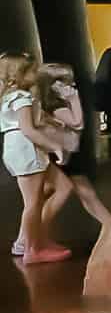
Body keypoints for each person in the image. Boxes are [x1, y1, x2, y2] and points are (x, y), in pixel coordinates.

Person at [1, 52, 71, 264]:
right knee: (32, 202)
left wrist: (51, 121)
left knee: (62, 186)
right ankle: (32, 248)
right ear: (19, 75)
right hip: (27, 148)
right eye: (32, 70)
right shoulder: (22, 97)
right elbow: (28, 129)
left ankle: (31, 239)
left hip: (20, 148)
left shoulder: (10, 96)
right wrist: (55, 146)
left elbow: (31, 120)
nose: (36, 73)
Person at [33, 62, 111, 228]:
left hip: (65, 155)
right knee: (85, 194)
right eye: (64, 81)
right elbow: (78, 123)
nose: (71, 84)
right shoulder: (56, 107)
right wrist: (74, 98)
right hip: (63, 157)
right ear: (51, 85)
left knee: (85, 194)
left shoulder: (53, 106)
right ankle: (32, 234)